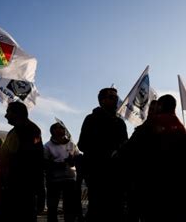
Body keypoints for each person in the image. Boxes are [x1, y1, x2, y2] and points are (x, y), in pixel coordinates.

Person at [78, 88, 128, 222]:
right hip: (97, 174)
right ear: (102, 100)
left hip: (116, 175)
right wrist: (105, 151)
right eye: (111, 97)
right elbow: (82, 144)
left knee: (116, 211)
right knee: (97, 211)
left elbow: (125, 146)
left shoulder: (120, 123)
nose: (116, 100)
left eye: (116, 97)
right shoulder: (91, 119)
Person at [0, 101, 44, 222]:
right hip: (9, 186)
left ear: (17, 113)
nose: (5, 116)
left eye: (8, 112)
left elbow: (32, 161)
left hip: (22, 188)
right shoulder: (13, 131)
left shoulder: (31, 130)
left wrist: (40, 191)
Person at [44, 122, 81, 222]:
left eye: (62, 128)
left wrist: (73, 161)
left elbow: (78, 160)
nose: (60, 129)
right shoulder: (47, 146)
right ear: (52, 132)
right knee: (52, 207)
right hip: (53, 180)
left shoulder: (72, 145)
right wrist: (57, 165)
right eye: (57, 128)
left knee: (69, 207)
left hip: (70, 179)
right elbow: (44, 164)